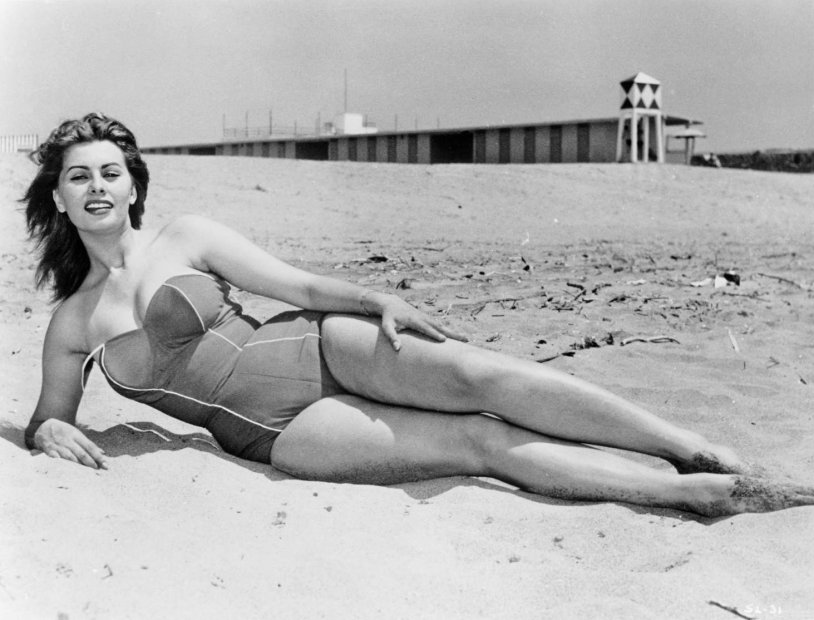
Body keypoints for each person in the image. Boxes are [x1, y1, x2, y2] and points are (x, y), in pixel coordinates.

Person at [21, 113, 814, 518]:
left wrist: (376, 300)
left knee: (485, 376)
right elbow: (47, 420)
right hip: (273, 434)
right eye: (79, 176)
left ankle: (695, 450)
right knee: (478, 440)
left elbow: (296, 286)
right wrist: (45, 429)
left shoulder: (186, 236)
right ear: (56, 195)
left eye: (111, 173)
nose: (97, 187)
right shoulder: (72, 323)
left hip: (319, 345)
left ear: (134, 184)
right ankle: (690, 499)